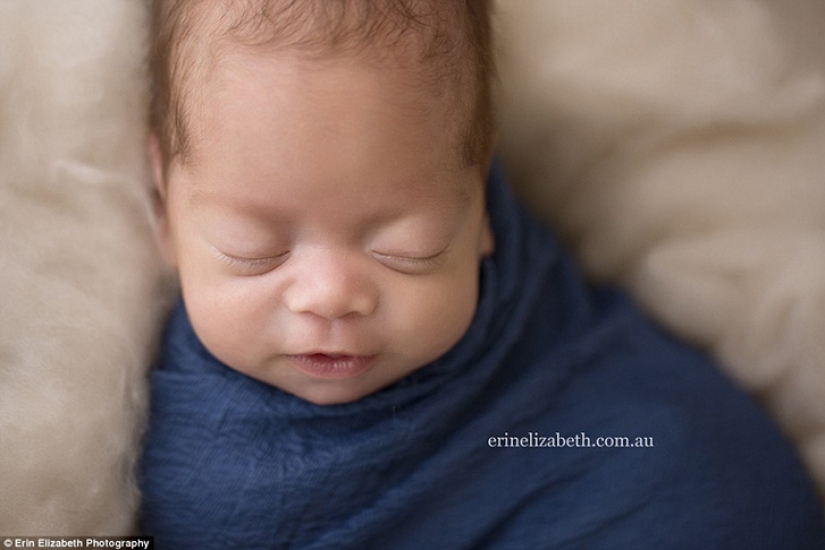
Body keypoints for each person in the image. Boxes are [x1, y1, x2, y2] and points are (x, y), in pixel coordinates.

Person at [139, 0, 825, 547]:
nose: (331, 296)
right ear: (164, 205)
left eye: (408, 248)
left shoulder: (584, 414)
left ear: (480, 206)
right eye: (252, 248)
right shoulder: (108, 397)